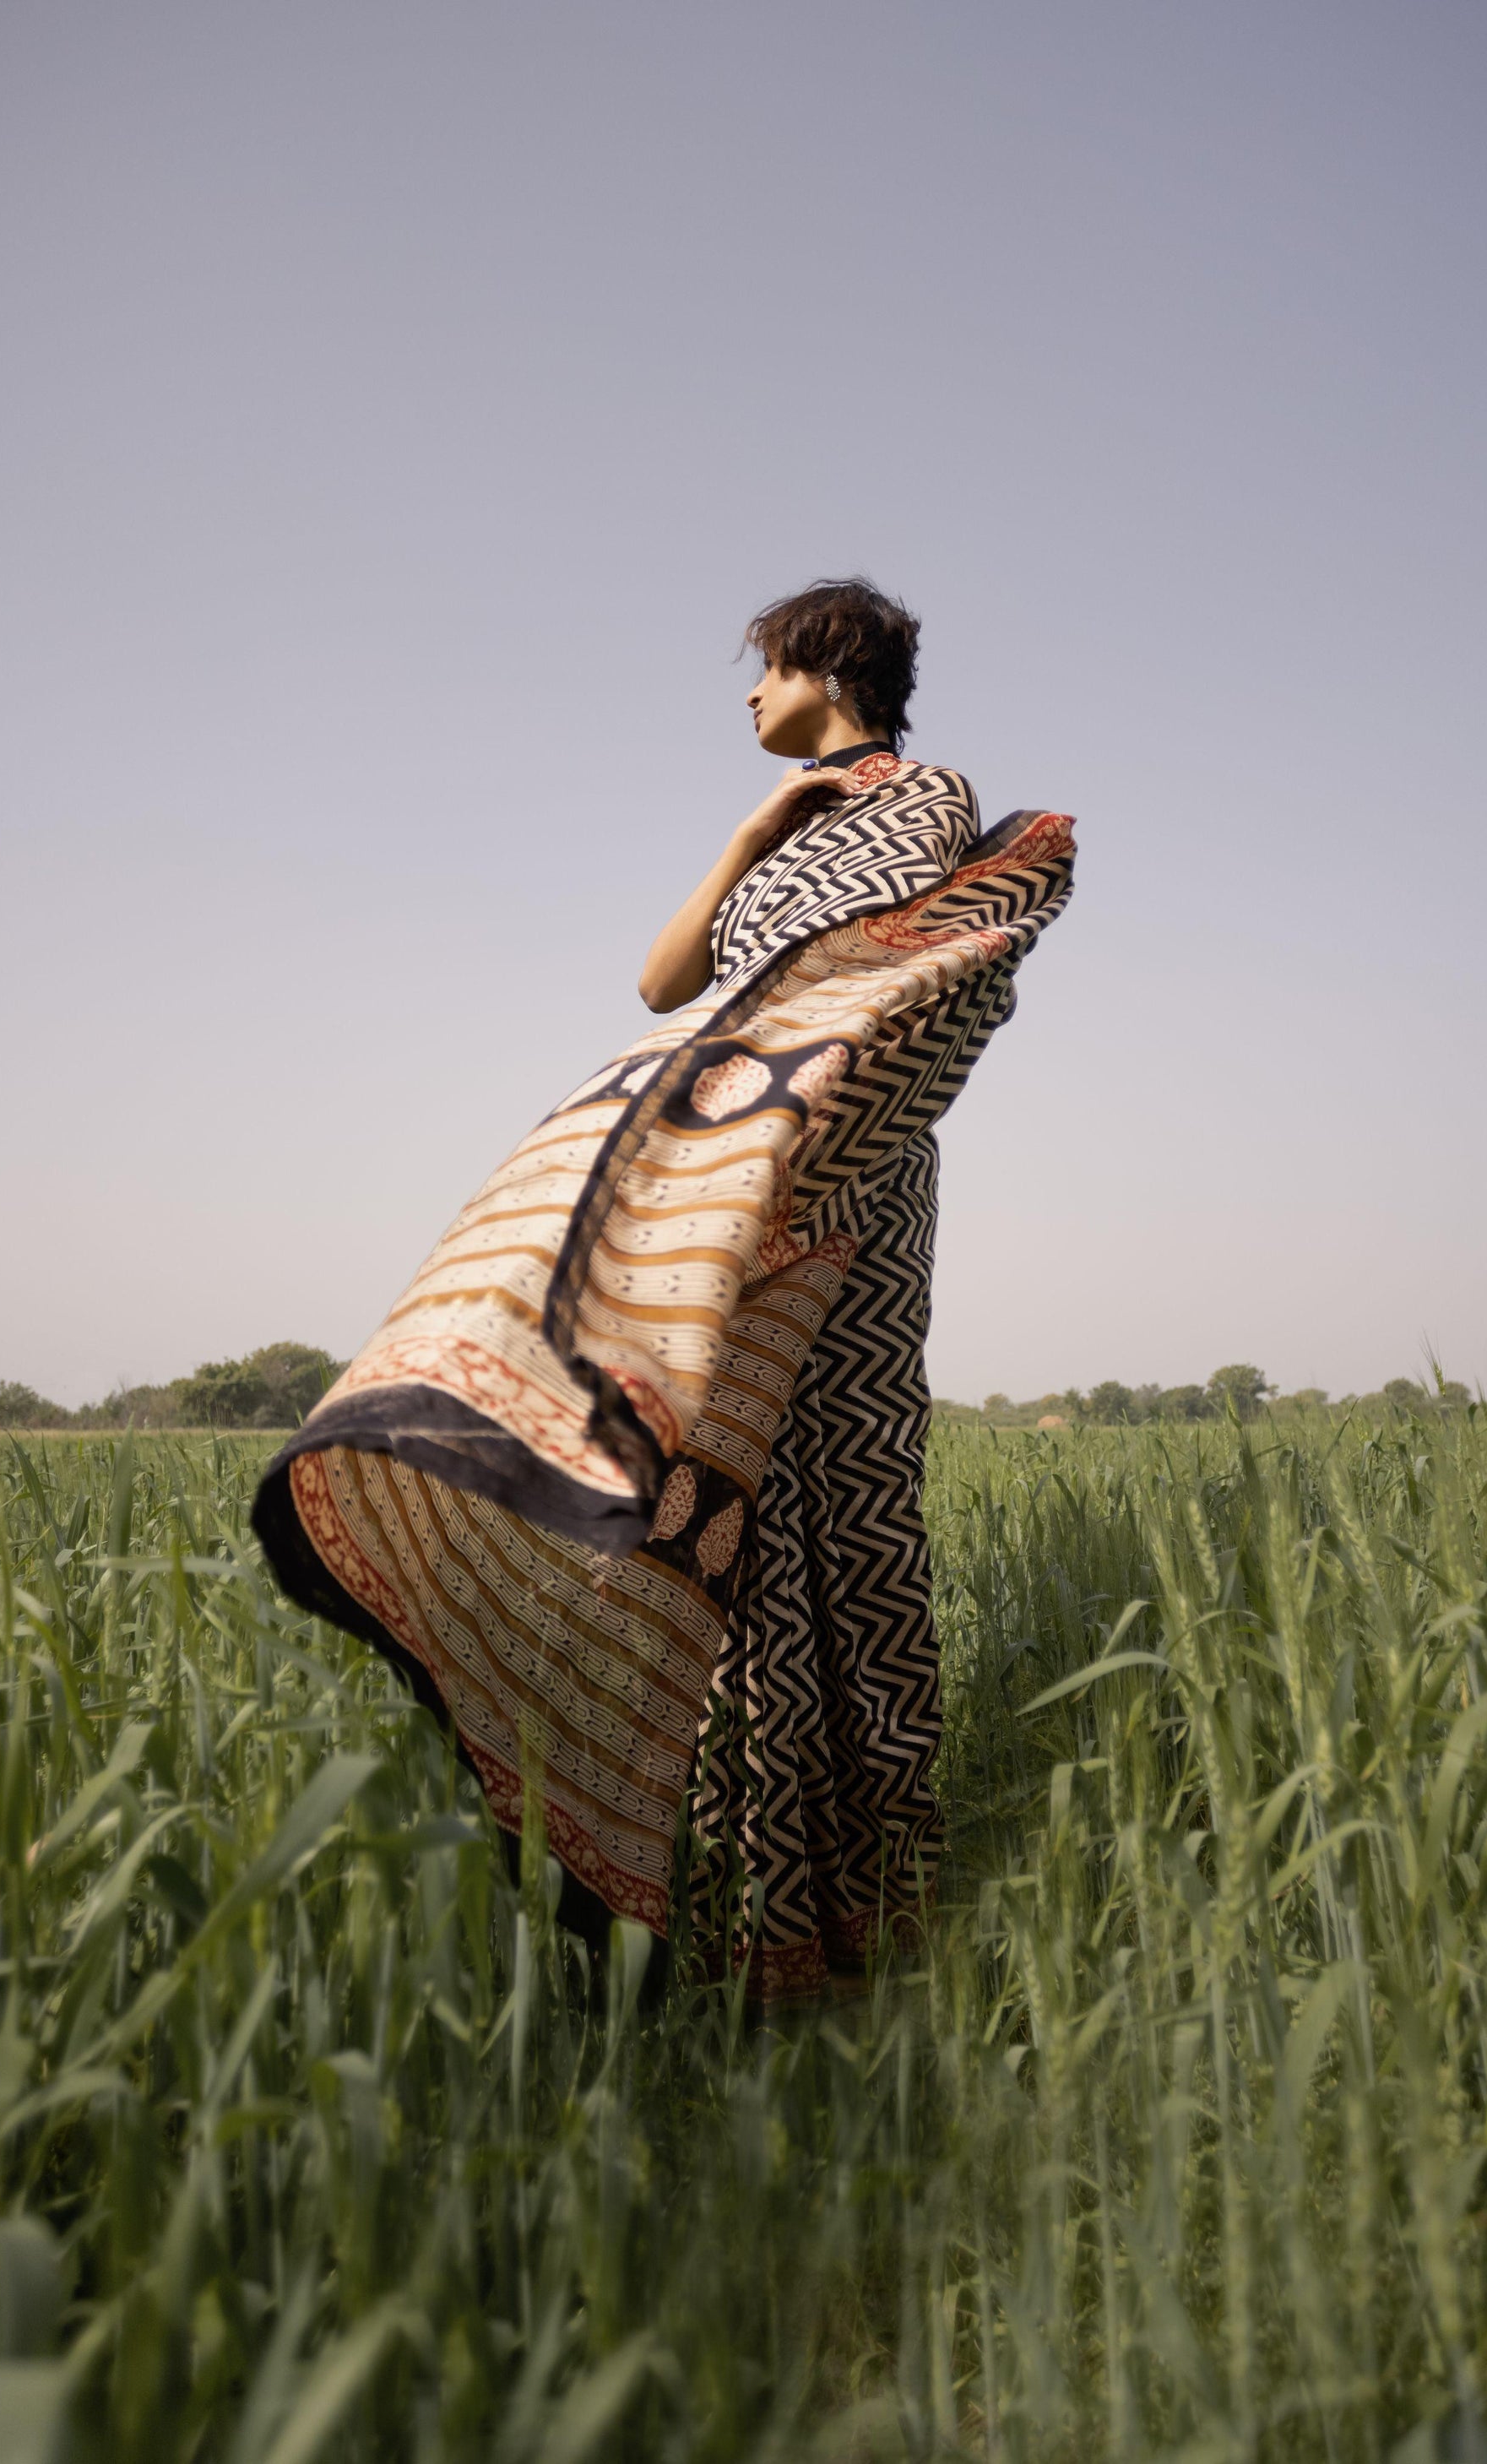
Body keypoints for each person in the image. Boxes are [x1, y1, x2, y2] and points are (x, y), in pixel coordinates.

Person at [254, 577, 1075, 2004]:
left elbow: (868, 983)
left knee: (843, 1515)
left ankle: (862, 1904)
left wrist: (776, 1106)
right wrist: (752, 832)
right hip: (721, 1175)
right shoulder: (780, 822)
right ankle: (758, 1911)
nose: (749, 695)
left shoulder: (925, 790)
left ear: (830, 661)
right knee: (729, 1519)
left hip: (841, 1170)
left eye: (765, 668)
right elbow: (660, 984)